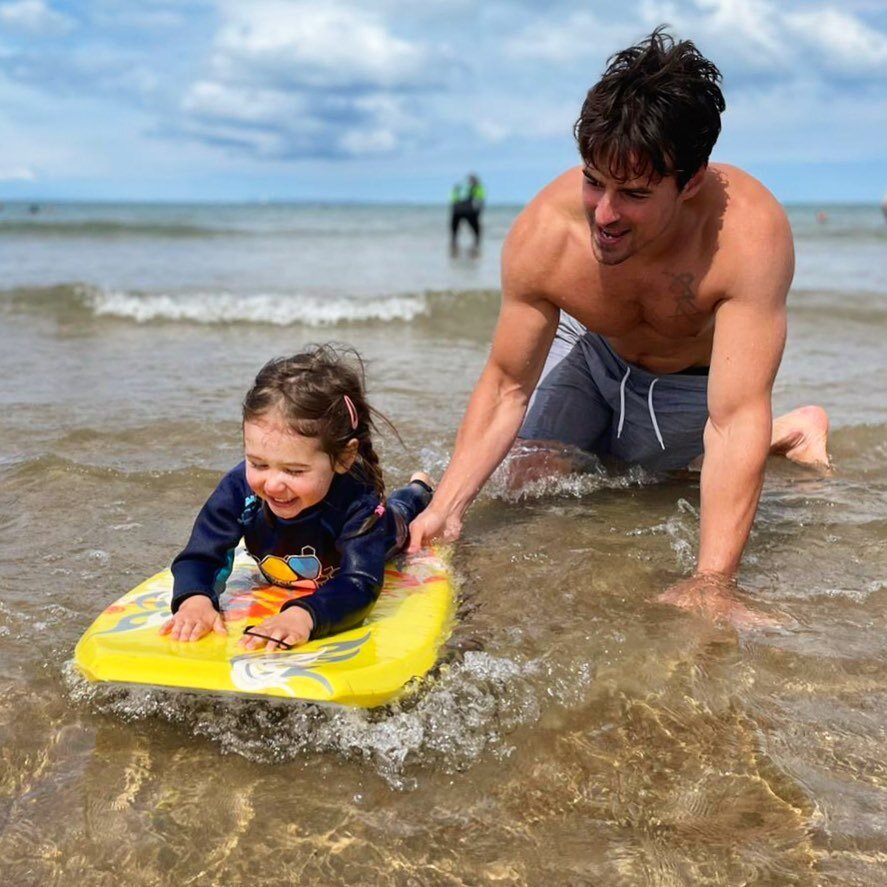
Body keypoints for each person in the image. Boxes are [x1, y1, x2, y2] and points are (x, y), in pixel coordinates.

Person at [409, 28, 830, 627]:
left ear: (690, 183)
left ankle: (791, 428)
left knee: (656, 481)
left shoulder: (747, 237)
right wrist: (446, 509)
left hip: (693, 387)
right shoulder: (547, 236)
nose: (603, 215)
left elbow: (732, 418)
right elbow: (507, 385)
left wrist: (712, 584)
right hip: (599, 360)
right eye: (592, 181)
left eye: (632, 193)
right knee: (527, 479)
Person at [161, 345, 434, 651]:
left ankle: (419, 489)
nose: (273, 484)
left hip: (382, 536)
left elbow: (360, 583)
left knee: (399, 515)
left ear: (344, 458)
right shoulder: (239, 488)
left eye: (293, 470)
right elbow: (201, 554)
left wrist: (304, 615)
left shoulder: (359, 503)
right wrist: (195, 598)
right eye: (259, 463)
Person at [450, 173, 486, 253]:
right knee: (474, 229)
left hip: (459, 209)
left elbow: (454, 198)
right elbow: (481, 201)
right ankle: (475, 243)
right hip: (467, 210)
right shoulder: (475, 187)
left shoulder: (462, 187)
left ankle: (455, 244)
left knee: (456, 230)